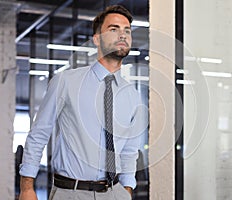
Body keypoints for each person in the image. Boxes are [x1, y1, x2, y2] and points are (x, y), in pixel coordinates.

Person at [19, 5, 147, 200]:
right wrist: (27, 188)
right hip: (71, 192)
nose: (122, 35)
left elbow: (129, 150)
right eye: (114, 29)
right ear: (96, 39)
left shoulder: (131, 94)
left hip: (115, 193)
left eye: (127, 30)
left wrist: (127, 189)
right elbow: (39, 134)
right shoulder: (66, 82)